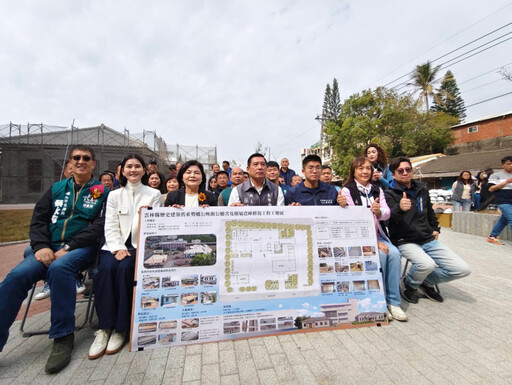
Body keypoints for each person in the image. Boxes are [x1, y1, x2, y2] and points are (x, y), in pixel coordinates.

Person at [0, 145, 109, 373]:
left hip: (81, 249)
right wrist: (40, 246)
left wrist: (68, 247)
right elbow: (38, 220)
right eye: (76, 158)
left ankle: (62, 335)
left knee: (60, 268)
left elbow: (99, 227)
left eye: (86, 158)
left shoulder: (103, 192)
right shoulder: (56, 189)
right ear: (70, 162)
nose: (81, 161)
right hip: (47, 249)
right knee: (16, 276)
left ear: (93, 164)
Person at [88, 154, 161, 359]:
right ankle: (104, 329)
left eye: (138, 166)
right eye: (129, 166)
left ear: (144, 170)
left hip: (141, 246)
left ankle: (120, 329)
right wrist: (117, 247)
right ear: (122, 170)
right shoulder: (114, 195)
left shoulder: (153, 194)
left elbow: (155, 226)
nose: (133, 170)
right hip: (114, 246)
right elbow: (109, 225)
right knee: (105, 270)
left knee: (125, 269)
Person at [385, 157, 471, 304]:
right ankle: (410, 284)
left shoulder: (422, 189)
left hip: (427, 239)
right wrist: (399, 208)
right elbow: (387, 221)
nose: (405, 173)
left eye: (408, 169)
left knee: (462, 269)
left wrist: (436, 228)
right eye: (400, 171)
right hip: (404, 241)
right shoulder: (389, 194)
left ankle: (426, 282)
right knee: (427, 264)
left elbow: (429, 212)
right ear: (393, 175)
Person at [340, 157, 406, 321]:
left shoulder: (377, 190)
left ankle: (394, 302)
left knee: (395, 254)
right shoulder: (347, 191)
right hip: (358, 239)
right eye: (360, 168)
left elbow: (387, 212)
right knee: (381, 256)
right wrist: (373, 243)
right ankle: (380, 302)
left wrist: (379, 212)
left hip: (378, 235)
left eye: (368, 168)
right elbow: (352, 219)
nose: (364, 171)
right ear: (354, 171)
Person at [487, 156, 512, 245]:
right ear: (502, 165)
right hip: (503, 201)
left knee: (504, 220)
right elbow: (490, 188)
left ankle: (493, 236)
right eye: (508, 164)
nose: (511, 166)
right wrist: (506, 182)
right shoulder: (495, 175)